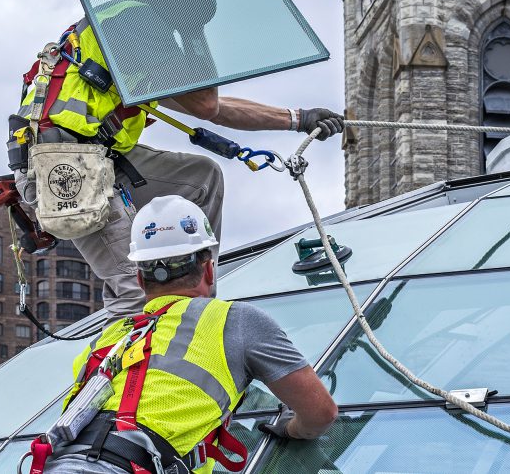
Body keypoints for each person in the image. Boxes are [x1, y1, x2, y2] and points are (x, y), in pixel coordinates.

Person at [11, 0, 344, 316]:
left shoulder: (112, 32)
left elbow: (211, 109)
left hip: (96, 154)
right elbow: (206, 104)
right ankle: (123, 368)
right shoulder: (135, 21)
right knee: (133, 294)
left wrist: (297, 119)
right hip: (67, 167)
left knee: (202, 177)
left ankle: (198, 290)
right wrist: (192, 31)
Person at [42, 196, 337, 473]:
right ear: (209, 270)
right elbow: (320, 413)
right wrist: (291, 429)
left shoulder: (107, 340)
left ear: (140, 279)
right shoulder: (235, 321)